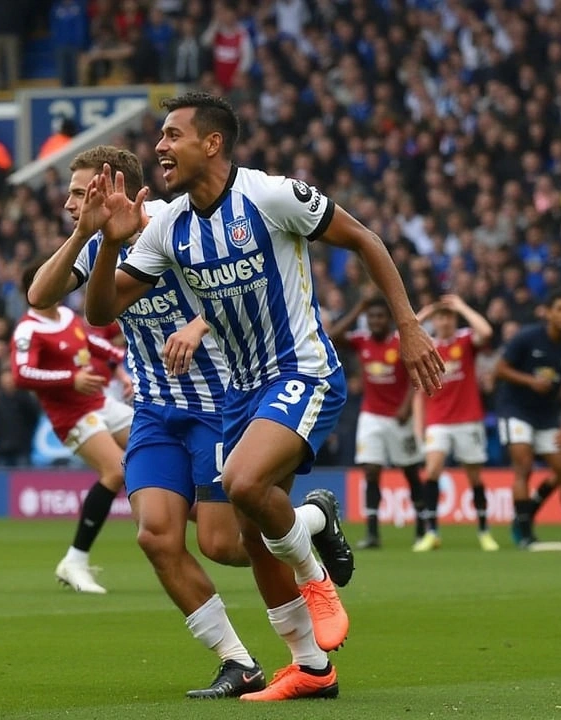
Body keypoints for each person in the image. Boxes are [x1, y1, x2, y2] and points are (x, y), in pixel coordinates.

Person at [82, 92, 443, 701]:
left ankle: (314, 575)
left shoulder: (271, 196)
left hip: (303, 371)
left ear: (212, 143)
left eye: (173, 136)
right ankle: (311, 663)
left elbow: (366, 239)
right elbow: (102, 311)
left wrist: (408, 324)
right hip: (238, 393)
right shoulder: (168, 224)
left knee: (246, 486)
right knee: (238, 537)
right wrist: (111, 242)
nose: (160, 147)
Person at [30, 144, 354, 699]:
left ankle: (310, 520)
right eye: (73, 195)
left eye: (83, 192)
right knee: (155, 535)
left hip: (216, 400)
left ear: (121, 189)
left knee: (226, 545)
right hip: (154, 410)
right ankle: (237, 661)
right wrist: (86, 231)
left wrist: (199, 324)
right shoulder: (98, 245)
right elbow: (40, 295)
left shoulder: (172, 226)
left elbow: (235, 286)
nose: (70, 203)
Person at [12, 263, 133, 595]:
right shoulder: (28, 329)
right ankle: (75, 560)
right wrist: (71, 378)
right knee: (115, 471)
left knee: (155, 446)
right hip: (73, 418)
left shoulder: (67, 317)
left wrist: (122, 370)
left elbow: (97, 347)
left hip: (100, 405)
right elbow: (21, 374)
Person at [328, 295, 432, 550]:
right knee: (371, 470)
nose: (375, 321)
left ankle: (422, 528)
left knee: (410, 472)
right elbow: (333, 336)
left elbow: (413, 374)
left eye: (380, 316)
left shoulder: (400, 343)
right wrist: (358, 307)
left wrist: (407, 405)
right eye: (371, 316)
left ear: (389, 319)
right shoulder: (361, 340)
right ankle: (372, 532)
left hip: (398, 417)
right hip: (371, 416)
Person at [494, 289, 561, 548]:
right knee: (524, 466)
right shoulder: (527, 337)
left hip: (547, 417)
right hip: (516, 410)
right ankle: (524, 532)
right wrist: (530, 381)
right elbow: (499, 370)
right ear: (549, 312)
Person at [411, 294, 499, 551]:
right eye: (440, 317)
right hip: (438, 420)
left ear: (454, 319)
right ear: (435, 321)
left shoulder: (465, 339)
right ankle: (432, 533)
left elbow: (487, 331)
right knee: (433, 470)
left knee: (474, 476)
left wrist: (461, 305)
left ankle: (484, 531)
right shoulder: (426, 346)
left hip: (468, 419)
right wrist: (425, 312)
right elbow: (400, 337)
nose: (445, 321)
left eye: (448, 316)